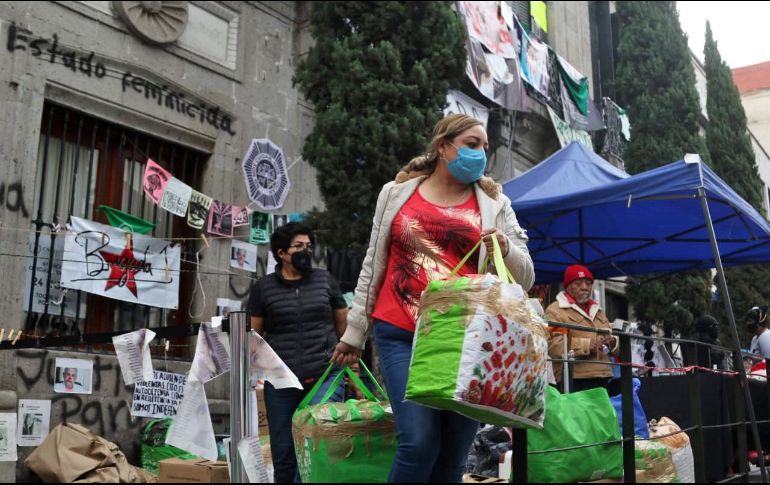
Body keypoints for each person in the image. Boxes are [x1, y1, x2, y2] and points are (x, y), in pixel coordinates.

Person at [331, 114, 535, 483]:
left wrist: (505, 248)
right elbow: (373, 264)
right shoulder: (395, 194)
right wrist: (354, 333)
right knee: (419, 441)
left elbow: (527, 275)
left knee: (454, 454)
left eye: (484, 147)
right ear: (443, 147)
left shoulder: (495, 203)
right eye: (471, 144)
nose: (481, 154)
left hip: (467, 343)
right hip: (400, 332)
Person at [249, 222, 349, 483]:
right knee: (284, 454)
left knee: (314, 439)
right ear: (282, 253)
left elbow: (343, 325)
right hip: (281, 379)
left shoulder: (325, 280)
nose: (306, 251)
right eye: (298, 246)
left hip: (325, 373)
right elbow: (253, 336)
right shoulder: (263, 288)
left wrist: (348, 360)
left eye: (309, 246)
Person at [546, 265, 617, 393]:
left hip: (604, 377)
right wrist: (588, 345)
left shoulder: (599, 311)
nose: (585, 287)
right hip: (574, 379)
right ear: (567, 286)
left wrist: (613, 343)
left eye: (588, 283)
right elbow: (554, 345)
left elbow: (611, 336)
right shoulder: (554, 310)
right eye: (578, 283)